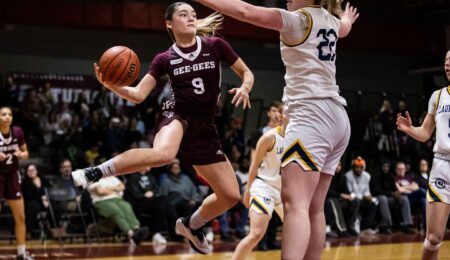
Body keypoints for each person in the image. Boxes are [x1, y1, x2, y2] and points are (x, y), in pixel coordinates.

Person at [71, 2, 254, 254]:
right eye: (183, 14)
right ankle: (94, 172)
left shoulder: (215, 46)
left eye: (193, 14)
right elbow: (138, 94)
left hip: (205, 126)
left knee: (231, 195)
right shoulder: (164, 59)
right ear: (169, 23)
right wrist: (111, 85)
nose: (191, 17)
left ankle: (191, 224)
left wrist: (245, 87)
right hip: (177, 114)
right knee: (164, 154)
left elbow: (247, 73)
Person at [194, 0, 358, 258]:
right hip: (338, 117)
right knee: (315, 207)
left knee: (296, 205)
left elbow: (244, 11)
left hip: (310, 116)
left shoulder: (299, 20)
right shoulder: (331, 21)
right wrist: (347, 18)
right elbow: (346, 27)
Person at [396, 50, 450, 260]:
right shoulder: (437, 96)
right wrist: (410, 129)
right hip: (442, 167)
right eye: (446, 61)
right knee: (434, 238)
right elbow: (426, 133)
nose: (447, 65)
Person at [232, 104, 286, 260]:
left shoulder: (298, 138)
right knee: (256, 234)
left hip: (283, 191)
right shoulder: (269, 137)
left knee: (298, 232)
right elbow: (254, 164)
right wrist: (248, 191)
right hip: (265, 187)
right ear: (281, 116)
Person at [0, 106, 33, 260]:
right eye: (3, 114)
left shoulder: (18, 132)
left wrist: (21, 154)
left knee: (20, 217)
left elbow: (26, 153)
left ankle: (21, 253)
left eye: (9, 114)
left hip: (12, 176)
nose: (7, 116)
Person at [87, 176, 149, 246]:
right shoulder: (93, 178)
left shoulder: (112, 178)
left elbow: (122, 186)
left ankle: (136, 230)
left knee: (126, 207)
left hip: (117, 199)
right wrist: (115, 189)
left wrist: (108, 189)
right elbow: (100, 191)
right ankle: (131, 234)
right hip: (101, 201)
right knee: (116, 210)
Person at [21, 163, 50, 238]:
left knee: (54, 205)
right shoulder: (25, 183)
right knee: (34, 205)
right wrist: (41, 197)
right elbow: (28, 196)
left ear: (36, 170)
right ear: (26, 172)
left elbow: (50, 190)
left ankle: (53, 229)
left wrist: (46, 198)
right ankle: (28, 231)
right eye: (29, 170)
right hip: (30, 203)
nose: (31, 172)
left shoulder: (43, 179)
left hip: (45, 202)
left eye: (33, 170)